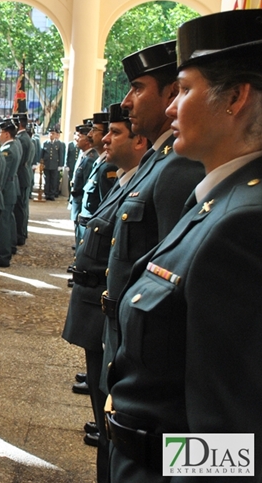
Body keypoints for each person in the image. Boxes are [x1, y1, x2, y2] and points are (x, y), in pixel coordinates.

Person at [107, 8, 262, 483]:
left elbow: (230, 443)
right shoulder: (218, 200)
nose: (172, 108)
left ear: (235, 97)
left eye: (186, 90)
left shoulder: (243, 224)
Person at [101, 41, 205, 395]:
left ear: (170, 94)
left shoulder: (177, 168)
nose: (127, 101)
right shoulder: (157, 159)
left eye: (138, 88)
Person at [62, 103, 148, 483]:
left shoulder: (165, 175)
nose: (104, 138)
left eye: (115, 132)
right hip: (106, 310)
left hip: (122, 321)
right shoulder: (134, 176)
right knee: (106, 417)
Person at [79, 112, 118, 223]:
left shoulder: (108, 168)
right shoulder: (98, 162)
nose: (89, 135)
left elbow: (105, 209)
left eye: (95, 130)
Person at [0, 118, 22, 268]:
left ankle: (3, 255)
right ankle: (10, 247)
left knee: (3, 224)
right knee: (9, 220)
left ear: (6, 134)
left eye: (1, 133)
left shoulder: (7, 150)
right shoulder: (14, 145)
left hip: (6, 190)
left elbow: (3, 175)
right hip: (12, 187)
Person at [69, 123, 96, 247]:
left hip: (81, 200)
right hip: (77, 198)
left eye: (80, 136)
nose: (76, 139)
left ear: (87, 141)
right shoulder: (84, 155)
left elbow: (86, 184)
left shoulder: (90, 158)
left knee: (81, 230)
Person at [12, 112, 34, 246]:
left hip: (21, 175)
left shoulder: (21, 139)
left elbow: (19, 161)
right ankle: (22, 233)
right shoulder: (26, 137)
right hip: (25, 175)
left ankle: (20, 235)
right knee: (23, 207)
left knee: (20, 207)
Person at [41, 127, 64, 199]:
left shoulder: (58, 143)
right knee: (47, 179)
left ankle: (52, 194)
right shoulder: (45, 143)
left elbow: (61, 154)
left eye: (53, 133)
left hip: (55, 164)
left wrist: (60, 165)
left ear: (55, 135)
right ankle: (46, 193)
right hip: (47, 164)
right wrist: (41, 163)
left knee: (53, 180)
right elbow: (42, 154)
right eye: (50, 133)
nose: (51, 135)